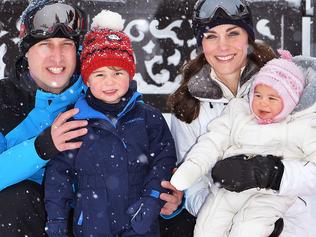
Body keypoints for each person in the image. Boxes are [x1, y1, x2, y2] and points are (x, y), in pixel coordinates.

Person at [161, 0, 316, 236]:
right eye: (211, 36)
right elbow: (194, 186)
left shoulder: (289, 87)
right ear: (201, 43)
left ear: (248, 38)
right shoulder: (189, 105)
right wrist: (222, 205)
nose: (223, 46)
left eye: (233, 33)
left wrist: (273, 175)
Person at [44, 10, 176, 237]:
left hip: (139, 225)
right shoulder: (74, 119)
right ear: (87, 78)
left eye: (117, 72)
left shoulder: (148, 118)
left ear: (130, 73)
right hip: (92, 227)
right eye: (99, 74)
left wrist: (151, 200)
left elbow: (163, 161)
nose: (109, 82)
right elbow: (59, 174)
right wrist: (56, 218)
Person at [0, 1, 89, 236]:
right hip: (24, 221)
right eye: (45, 45)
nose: (57, 57)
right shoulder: (3, 100)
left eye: (66, 45)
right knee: (15, 198)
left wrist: (171, 205)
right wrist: (40, 148)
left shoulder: (101, 95)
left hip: (90, 219)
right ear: (26, 51)